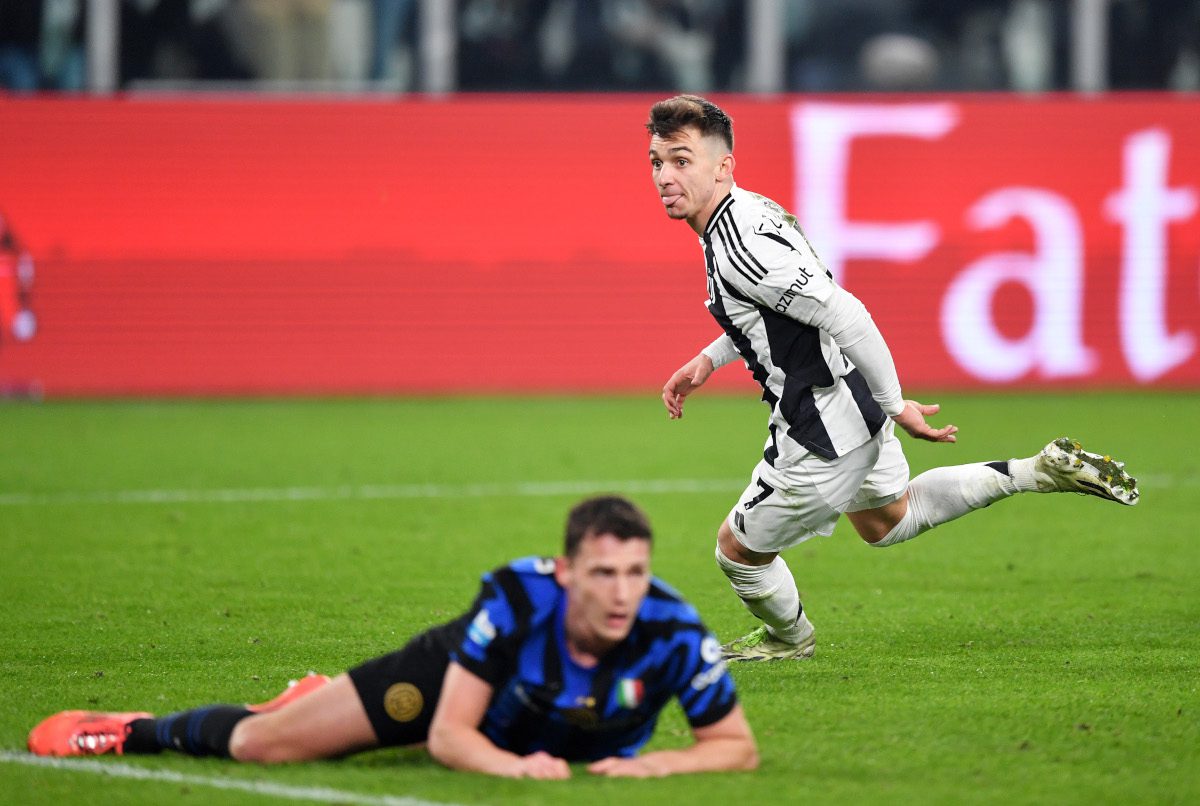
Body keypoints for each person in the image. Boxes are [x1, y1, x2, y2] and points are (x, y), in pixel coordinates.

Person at [646, 95, 1140, 662]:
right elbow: (778, 314)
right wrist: (709, 359)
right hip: (852, 399)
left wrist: (897, 401)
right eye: (657, 162)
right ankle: (1034, 471)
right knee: (888, 520)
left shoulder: (740, 246)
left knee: (736, 552)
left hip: (820, 426)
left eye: (682, 160)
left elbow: (843, 312)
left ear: (722, 164)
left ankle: (790, 639)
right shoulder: (752, 211)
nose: (666, 176)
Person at [28, 496, 757, 779]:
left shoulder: (674, 635)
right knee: (263, 746)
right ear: (567, 573)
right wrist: (517, 772)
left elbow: (736, 748)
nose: (623, 591)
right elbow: (448, 738)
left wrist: (656, 766)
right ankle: (134, 733)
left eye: (635, 572)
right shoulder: (512, 604)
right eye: (604, 572)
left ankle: (321, 701)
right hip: (453, 686)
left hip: (537, 722)